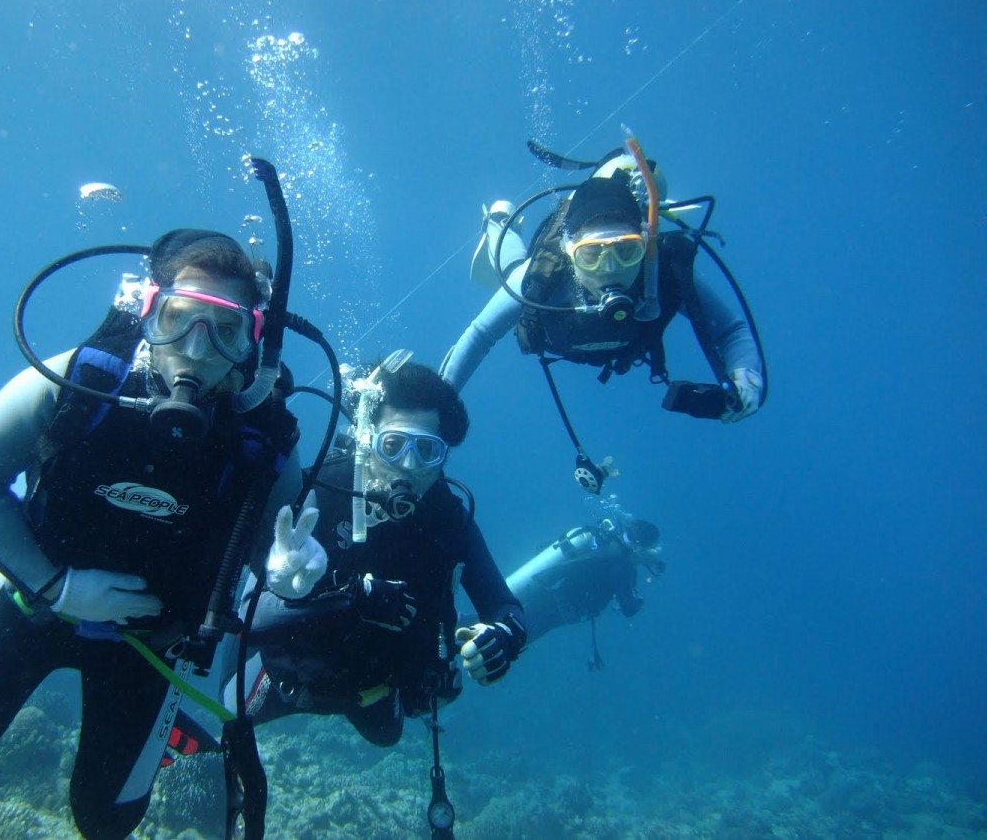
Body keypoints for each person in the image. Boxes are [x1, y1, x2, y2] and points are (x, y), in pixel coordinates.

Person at [0, 228, 329, 840]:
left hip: (151, 639)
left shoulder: (265, 440)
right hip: (28, 600)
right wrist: (53, 586)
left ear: (252, 341)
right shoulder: (78, 382)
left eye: (224, 330)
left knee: (106, 822)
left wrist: (287, 573)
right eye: (178, 319)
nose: (195, 352)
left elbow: (270, 549)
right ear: (146, 311)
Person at [221, 358, 526, 748]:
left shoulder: (448, 517)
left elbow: (504, 606)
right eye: (394, 445)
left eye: (428, 450)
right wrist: (355, 598)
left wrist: (503, 636)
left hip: (375, 686)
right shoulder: (324, 490)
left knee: (387, 738)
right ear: (367, 438)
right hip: (294, 679)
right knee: (228, 711)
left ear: (444, 455)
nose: (410, 467)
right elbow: (253, 619)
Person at [440, 146, 766, 491]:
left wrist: (746, 379)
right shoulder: (540, 277)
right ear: (568, 250)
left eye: (627, 252)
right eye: (591, 255)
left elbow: (730, 329)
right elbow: (479, 336)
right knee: (509, 268)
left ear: (646, 245)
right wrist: (436, 409)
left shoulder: (664, 272)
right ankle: (498, 223)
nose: (610, 271)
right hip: (548, 304)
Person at [506, 515, 665, 668]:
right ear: (640, 546)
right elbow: (628, 608)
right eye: (651, 549)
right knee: (510, 639)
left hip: (549, 593)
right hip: (562, 609)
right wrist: (639, 601)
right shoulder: (624, 566)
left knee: (508, 622)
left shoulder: (603, 539)